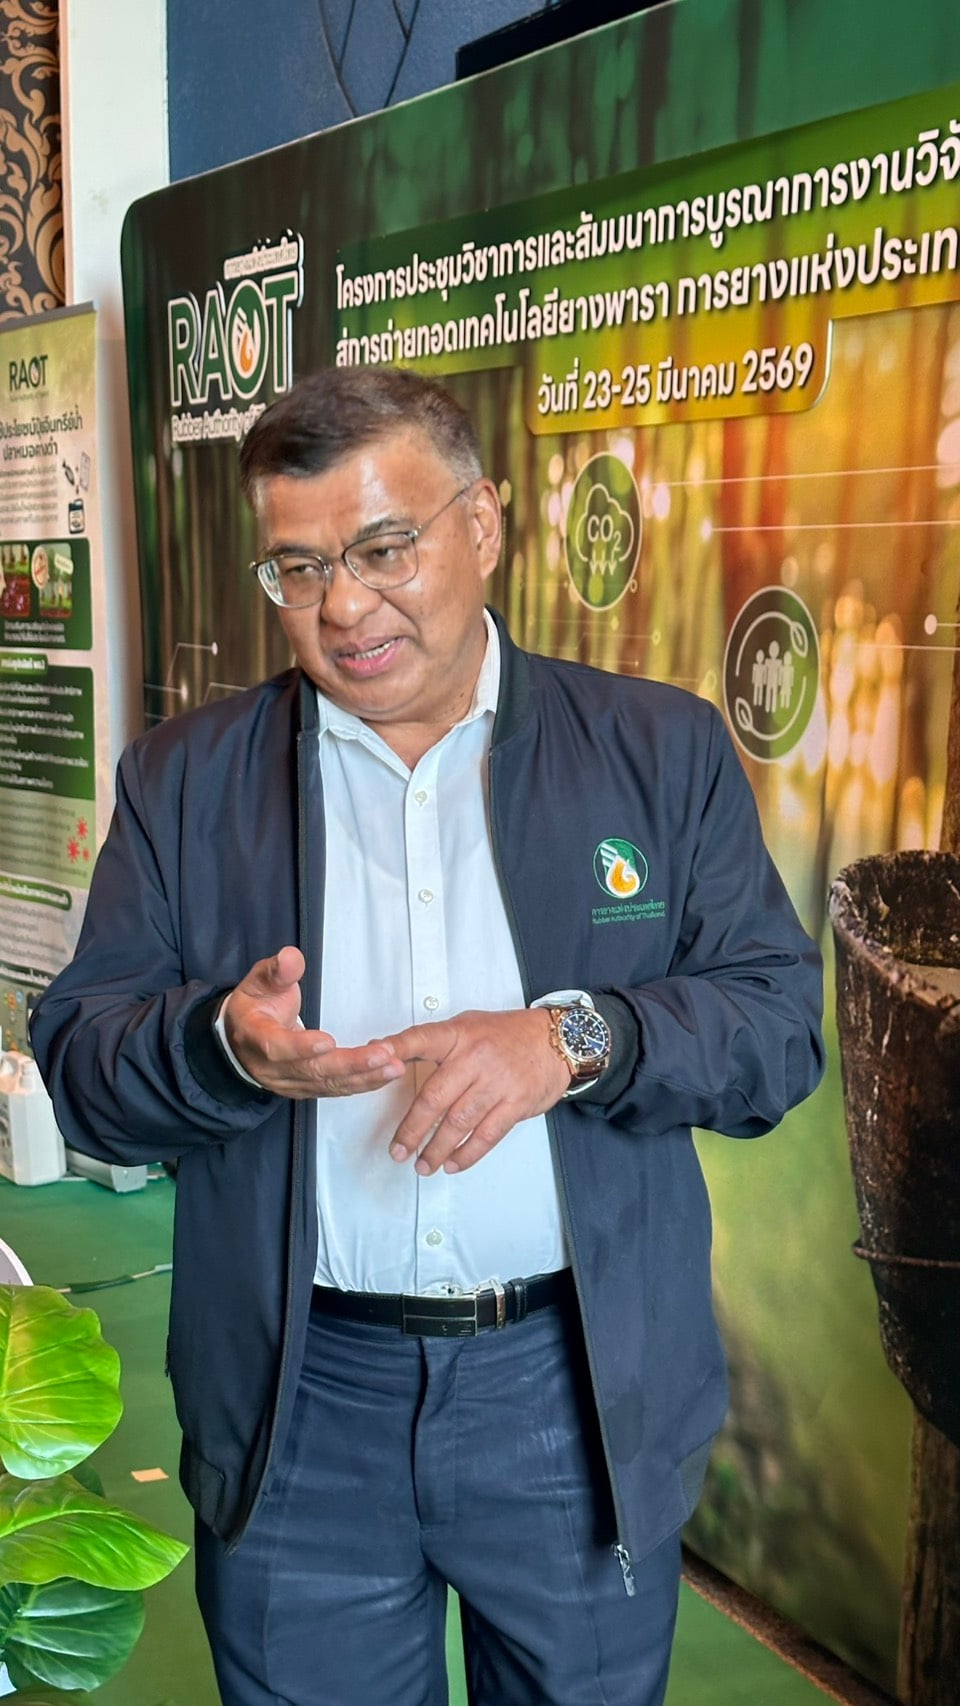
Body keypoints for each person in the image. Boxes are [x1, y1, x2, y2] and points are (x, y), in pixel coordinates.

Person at [31, 367, 824, 1706]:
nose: (342, 606)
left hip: (570, 1396)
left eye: (384, 548)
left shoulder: (655, 751)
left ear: (485, 525)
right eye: (297, 568)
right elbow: (82, 1062)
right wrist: (219, 1047)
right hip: (300, 1404)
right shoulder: (185, 782)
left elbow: (776, 1025)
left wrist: (574, 1038)